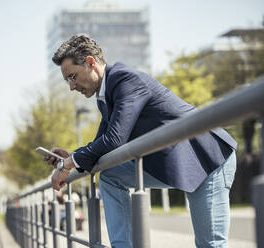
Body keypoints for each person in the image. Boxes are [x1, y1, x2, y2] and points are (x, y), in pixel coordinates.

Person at [44, 34, 237, 248]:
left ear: (90, 63)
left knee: (210, 245)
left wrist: (66, 164)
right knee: (110, 176)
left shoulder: (125, 80)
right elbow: (102, 147)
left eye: (73, 77)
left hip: (208, 157)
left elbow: (114, 139)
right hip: (178, 161)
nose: (72, 87)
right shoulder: (105, 96)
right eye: (67, 81)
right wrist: (70, 157)